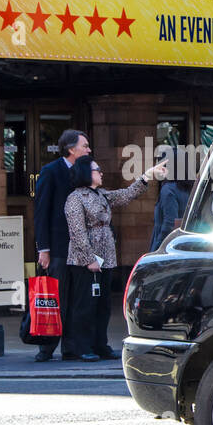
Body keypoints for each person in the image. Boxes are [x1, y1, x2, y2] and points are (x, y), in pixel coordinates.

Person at [63, 155, 166, 361]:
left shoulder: (101, 194)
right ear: (85, 173)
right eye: (96, 169)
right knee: (84, 304)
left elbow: (126, 195)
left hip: (106, 256)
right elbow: (77, 232)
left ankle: (100, 344)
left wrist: (147, 176)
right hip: (84, 261)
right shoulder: (75, 198)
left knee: (103, 304)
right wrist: (88, 258)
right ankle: (80, 346)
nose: (101, 173)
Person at [31, 129, 90, 362]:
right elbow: (41, 211)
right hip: (57, 247)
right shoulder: (51, 171)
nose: (88, 149)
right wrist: (43, 248)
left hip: (80, 248)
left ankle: (71, 348)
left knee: (76, 299)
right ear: (71, 149)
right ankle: (46, 348)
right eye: (84, 146)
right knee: (56, 299)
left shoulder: (85, 171)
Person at [149, 153, 191, 251]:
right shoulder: (189, 187)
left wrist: (158, 246)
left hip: (167, 245)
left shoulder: (168, 189)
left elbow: (169, 222)